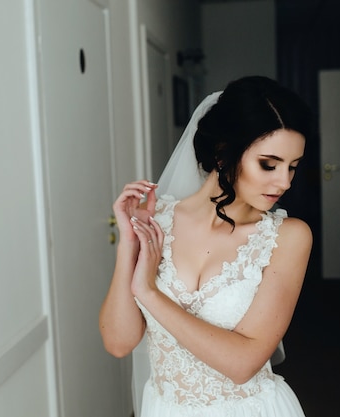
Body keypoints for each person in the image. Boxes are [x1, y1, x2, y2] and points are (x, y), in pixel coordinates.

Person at [99, 75, 313, 417]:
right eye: (269, 164)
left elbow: (243, 363)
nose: (284, 181)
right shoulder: (158, 222)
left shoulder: (288, 237)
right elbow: (119, 342)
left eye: (293, 167)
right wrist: (129, 244)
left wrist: (150, 293)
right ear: (223, 151)